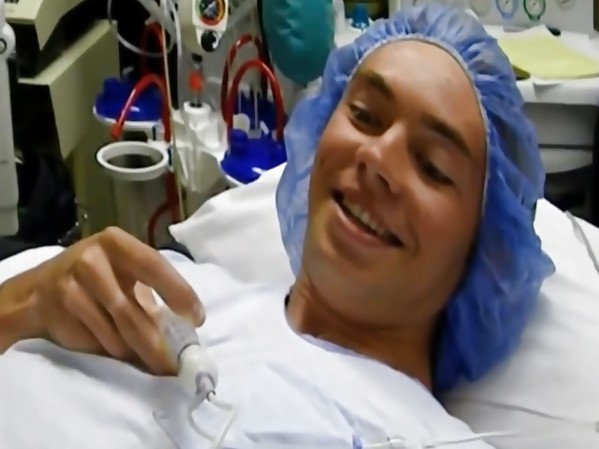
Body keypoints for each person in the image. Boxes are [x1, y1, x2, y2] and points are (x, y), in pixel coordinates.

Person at [0, 5, 554, 449]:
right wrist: (24, 307)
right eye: (364, 116)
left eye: (432, 166)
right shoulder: (175, 286)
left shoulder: (428, 436)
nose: (377, 158)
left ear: (487, 251)